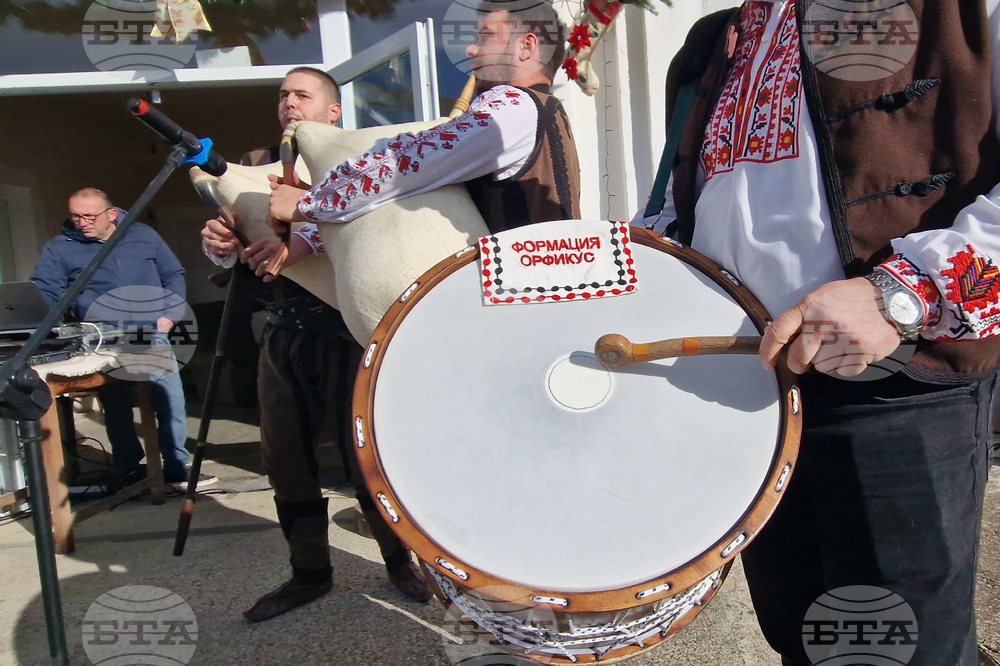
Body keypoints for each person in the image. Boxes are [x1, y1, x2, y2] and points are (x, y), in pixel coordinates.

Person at [635, 3, 1000, 665]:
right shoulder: (716, 37)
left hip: (896, 384)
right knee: (802, 635)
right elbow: (676, 203)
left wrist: (904, 293)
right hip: (753, 387)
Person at [200, 66, 432, 623]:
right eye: (283, 96)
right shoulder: (252, 171)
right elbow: (236, 253)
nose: (289, 104)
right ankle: (308, 574)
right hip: (282, 334)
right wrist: (220, 243)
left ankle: (399, 563)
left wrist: (302, 228)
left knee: (367, 459)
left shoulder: (354, 165)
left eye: (302, 95)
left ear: (332, 112)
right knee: (286, 462)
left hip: (348, 332)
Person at [265, 1, 579, 253]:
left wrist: (311, 203)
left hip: (513, 310)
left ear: (526, 47)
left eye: (485, 37)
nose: (471, 50)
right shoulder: (545, 111)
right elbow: (423, 199)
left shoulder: (513, 103)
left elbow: (408, 161)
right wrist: (309, 237)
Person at [31, 188, 216, 489]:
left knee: (169, 399)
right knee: (115, 404)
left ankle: (176, 465)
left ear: (111, 214)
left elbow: (173, 274)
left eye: (90, 216)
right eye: (76, 216)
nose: (82, 222)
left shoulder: (142, 235)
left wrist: (169, 314)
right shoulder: (60, 248)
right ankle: (130, 468)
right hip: (101, 339)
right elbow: (45, 291)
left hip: (150, 332)